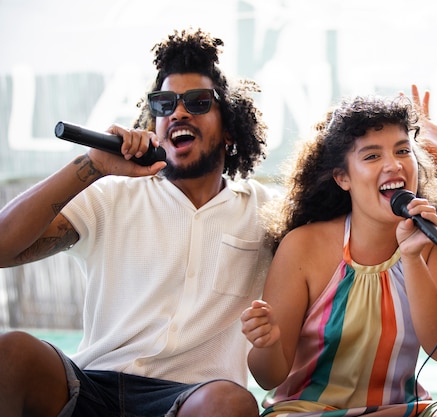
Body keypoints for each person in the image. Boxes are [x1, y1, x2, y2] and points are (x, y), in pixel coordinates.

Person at [0, 28, 274, 417]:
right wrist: (92, 165)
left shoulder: (266, 211)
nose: (178, 112)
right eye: (164, 103)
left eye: (197, 102)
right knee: (11, 353)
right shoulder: (110, 192)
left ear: (230, 128)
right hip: (91, 385)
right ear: (153, 120)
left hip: (191, 399)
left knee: (230, 403)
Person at [240, 94, 437, 416]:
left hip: (401, 409)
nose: (394, 164)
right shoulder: (303, 246)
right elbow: (268, 377)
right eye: (372, 156)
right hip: (307, 411)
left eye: (403, 150)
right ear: (342, 178)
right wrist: (267, 343)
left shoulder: (436, 242)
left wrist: (413, 257)